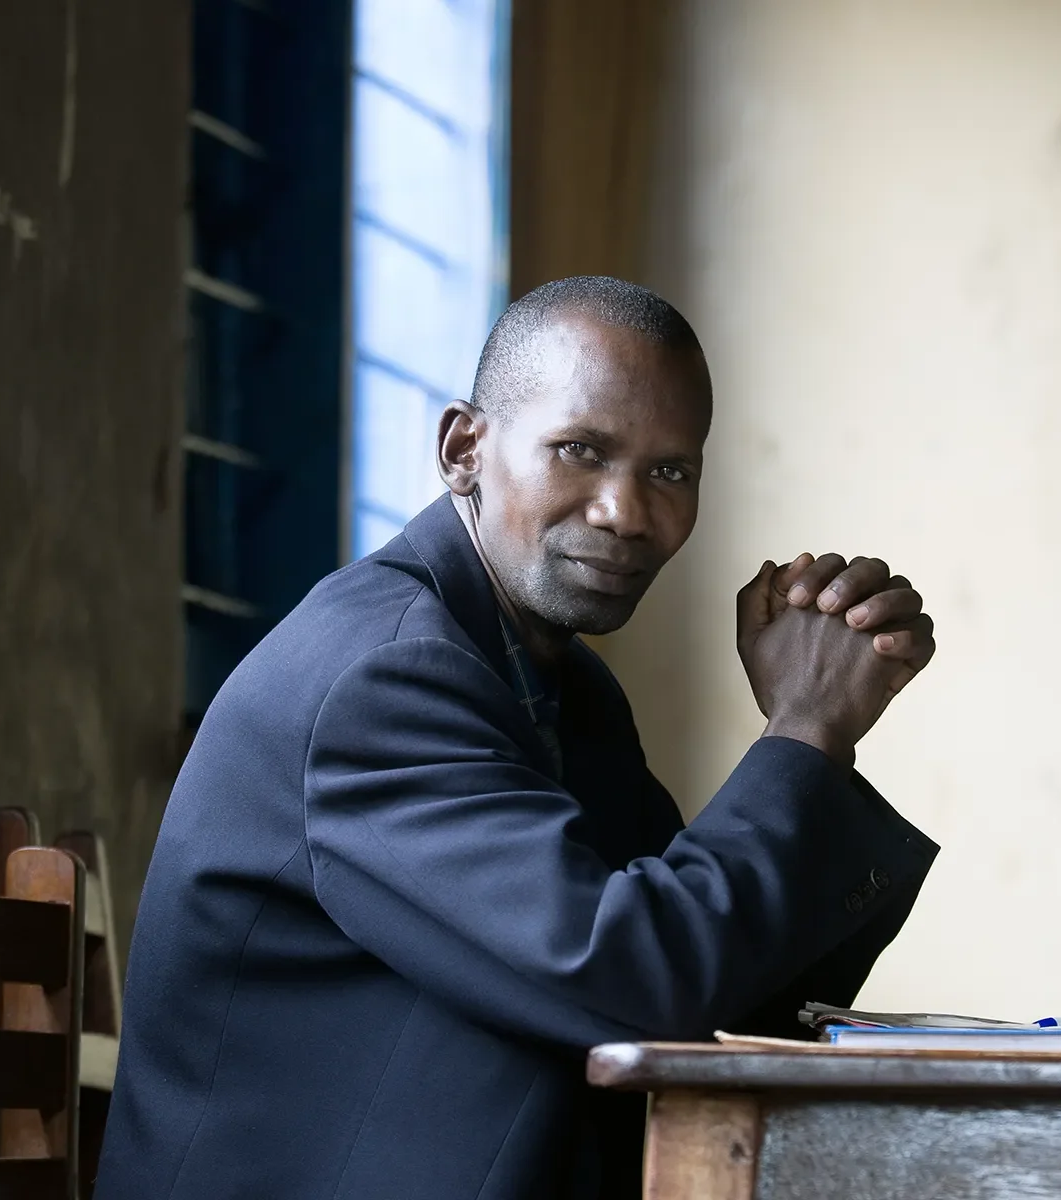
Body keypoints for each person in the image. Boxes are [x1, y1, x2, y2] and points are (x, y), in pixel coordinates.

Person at [97, 277, 939, 1199]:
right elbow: (638, 988)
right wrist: (807, 729)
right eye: (579, 450)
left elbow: (715, 992)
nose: (625, 512)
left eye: (670, 472)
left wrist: (818, 738)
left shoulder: (560, 685)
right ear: (465, 448)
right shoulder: (385, 676)